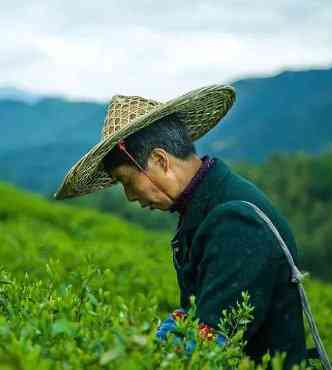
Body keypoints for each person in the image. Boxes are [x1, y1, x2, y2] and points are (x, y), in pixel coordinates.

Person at [54, 85, 314, 369]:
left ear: (160, 160)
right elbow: (197, 313)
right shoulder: (205, 207)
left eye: (128, 182)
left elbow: (211, 343)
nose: (130, 196)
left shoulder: (236, 221)